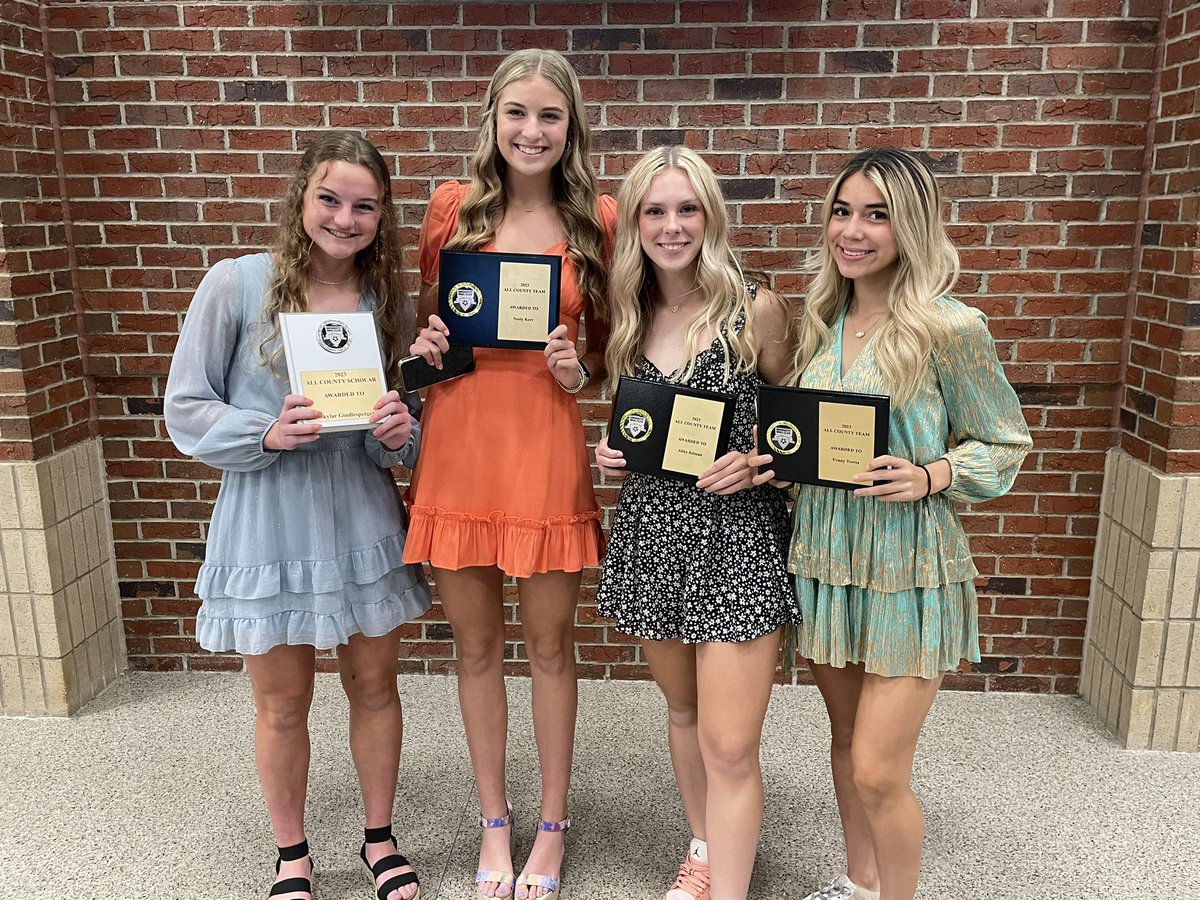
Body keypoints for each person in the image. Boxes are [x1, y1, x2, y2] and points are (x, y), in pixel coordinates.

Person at [750, 148, 1032, 900]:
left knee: (880, 767)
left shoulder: (950, 326)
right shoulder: (820, 322)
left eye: (876, 215)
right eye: (843, 211)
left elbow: (1004, 442)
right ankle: (860, 880)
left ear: (911, 226)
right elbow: (805, 431)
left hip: (909, 566)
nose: (853, 230)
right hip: (828, 558)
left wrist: (932, 474)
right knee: (845, 745)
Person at [164, 132, 431, 900]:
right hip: (267, 520)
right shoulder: (236, 284)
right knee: (281, 702)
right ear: (301, 198)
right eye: (330, 198)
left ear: (382, 217)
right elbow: (185, 406)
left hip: (360, 518)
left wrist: (397, 431)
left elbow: (410, 423)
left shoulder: (389, 304)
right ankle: (292, 856)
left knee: (376, 687)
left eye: (364, 206)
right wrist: (263, 431)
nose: (345, 219)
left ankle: (380, 840)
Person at [403, 49, 615, 900]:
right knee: (478, 648)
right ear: (493, 118)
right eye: (517, 113)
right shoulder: (450, 210)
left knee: (553, 649)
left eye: (550, 116)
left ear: (571, 128)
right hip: (460, 450)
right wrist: (422, 355)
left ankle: (552, 828)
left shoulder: (599, 216)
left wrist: (577, 371)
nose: (533, 131)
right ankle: (495, 823)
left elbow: (604, 355)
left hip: (545, 451)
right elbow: (431, 331)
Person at [594, 146, 797, 900]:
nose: (672, 226)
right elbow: (628, 419)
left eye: (687, 208)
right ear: (636, 221)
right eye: (655, 210)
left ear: (711, 215)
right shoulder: (627, 313)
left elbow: (797, 430)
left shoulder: (757, 308)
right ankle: (707, 849)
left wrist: (757, 460)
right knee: (683, 712)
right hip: (652, 534)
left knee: (731, 742)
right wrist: (609, 449)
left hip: (736, 541)